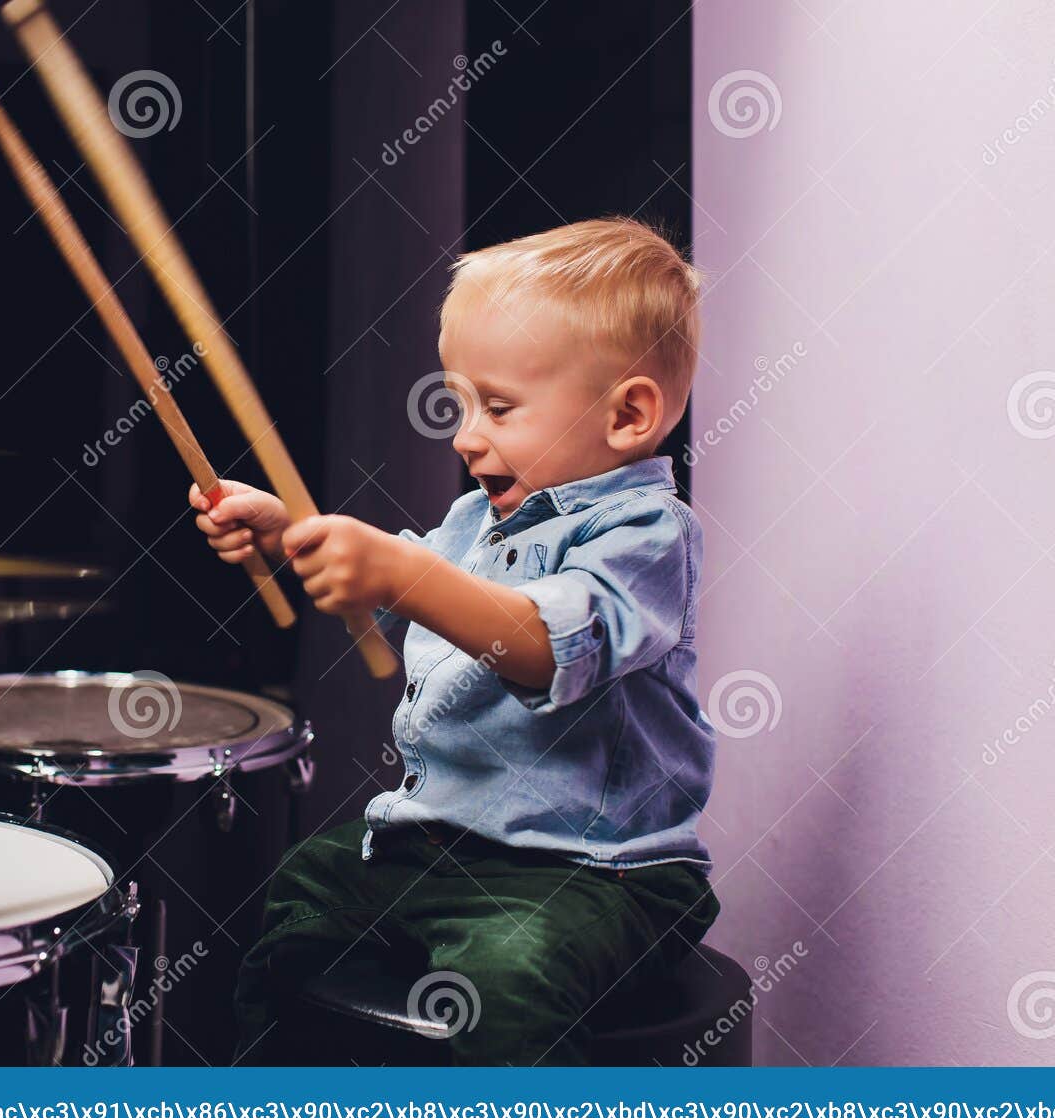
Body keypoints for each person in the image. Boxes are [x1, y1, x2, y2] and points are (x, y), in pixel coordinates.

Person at [191, 217, 721, 1065]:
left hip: (593, 871)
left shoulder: (649, 534)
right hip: (441, 839)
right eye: (461, 400)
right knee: (302, 898)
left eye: (499, 407)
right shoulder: (478, 518)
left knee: (509, 978)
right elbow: (410, 598)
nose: (466, 435)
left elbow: (549, 646)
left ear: (628, 414)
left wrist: (398, 571)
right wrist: (291, 535)